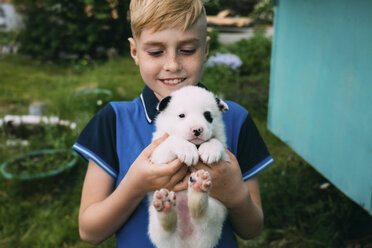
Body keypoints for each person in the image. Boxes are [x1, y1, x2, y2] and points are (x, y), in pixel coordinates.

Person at [72, 0, 274, 247]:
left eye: (187, 49)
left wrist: (235, 195)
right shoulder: (113, 120)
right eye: (156, 52)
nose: (172, 65)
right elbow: (89, 232)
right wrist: (135, 186)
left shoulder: (235, 118)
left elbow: (252, 229)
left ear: (206, 47)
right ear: (134, 52)